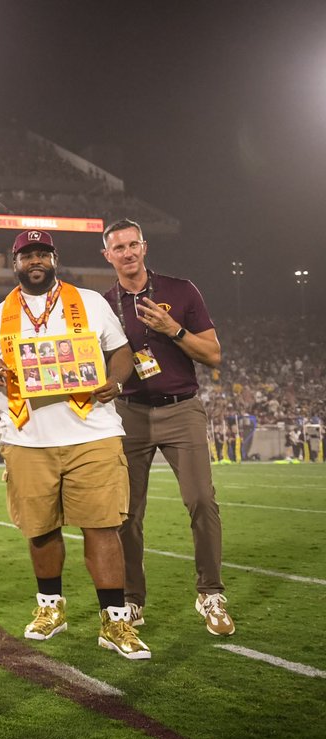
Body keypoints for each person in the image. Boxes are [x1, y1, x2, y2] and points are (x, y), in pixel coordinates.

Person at [0, 230, 147, 660]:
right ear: (15, 264)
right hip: (28, 435)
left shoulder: (89, 301)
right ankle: (51, 608)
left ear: (54, 258)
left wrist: (116, 380)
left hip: (93, 430)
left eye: (42, 253)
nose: (35, 260)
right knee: (41, 528)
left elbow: (121, 352)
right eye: (27, 254)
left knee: (103, 527)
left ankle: (115, 621)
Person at [101, 218, 234, 635]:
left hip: (181, 408)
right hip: (129, 412)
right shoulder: (102, 305)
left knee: (201, 500)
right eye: (118, 247)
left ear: (144, 247)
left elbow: (212, 355)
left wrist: (172, 329)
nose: (127, 252)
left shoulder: (181, 290)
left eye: (132, 244)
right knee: (126, 513)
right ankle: (131, 600)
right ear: (107, 256)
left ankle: (210, 594)